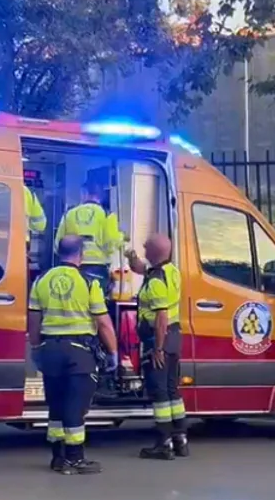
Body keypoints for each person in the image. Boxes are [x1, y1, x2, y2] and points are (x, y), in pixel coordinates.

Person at [28, 234, 118, 475]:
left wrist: (35, 349)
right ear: (82, 254)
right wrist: (113, 352)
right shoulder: (88, 283)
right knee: (75, 406)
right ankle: (75, 459)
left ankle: (58, 457)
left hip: (49, 350)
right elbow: (103, 322)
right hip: (78, 352)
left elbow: (34, 320)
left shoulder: (41, 281)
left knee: (56, 406)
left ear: (58, 252)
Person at [125, 234, 188, 460]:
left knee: (159, 393)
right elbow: (141, 268)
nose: (143, 248)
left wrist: (157, 349)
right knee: (172, 390)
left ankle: (163, 444)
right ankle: (180, 440)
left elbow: (161, 317)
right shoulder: (170, 271)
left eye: (145, 246)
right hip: (174, 337)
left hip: (158, 339)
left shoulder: (156, 282)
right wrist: (130, 256)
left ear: (153, 252)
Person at [53, 181, 125, 295]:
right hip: (97, 269)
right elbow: (111, 245)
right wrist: (121, 238)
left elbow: (57, 245)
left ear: (83, 193)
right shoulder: (107, 215)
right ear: (101, 195)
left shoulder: (69, 214)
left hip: (71, 267)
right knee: (96, 306)